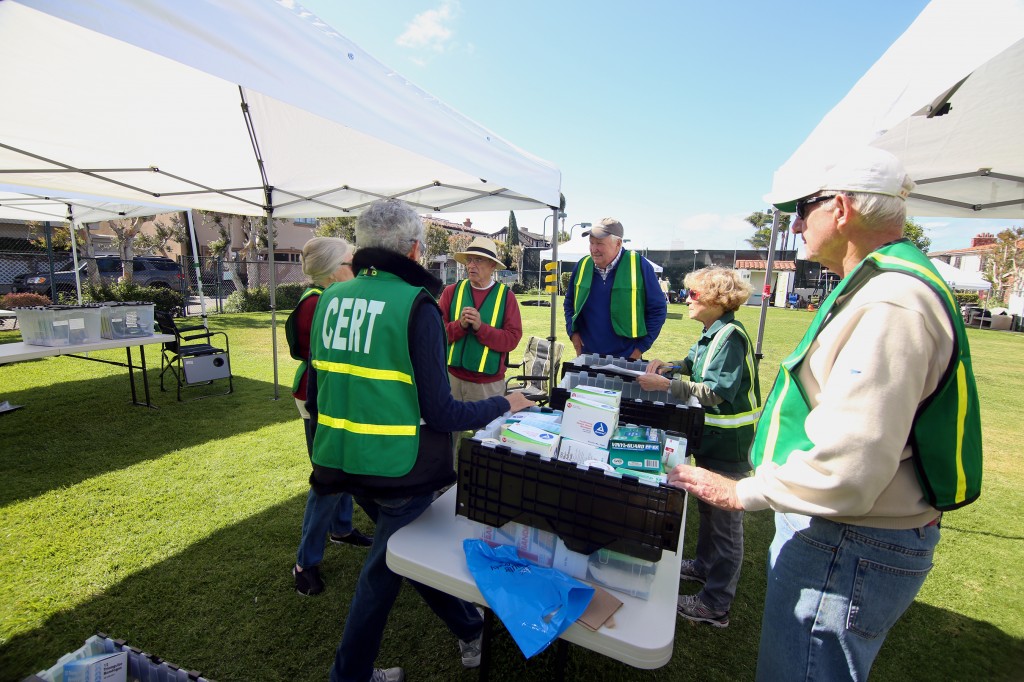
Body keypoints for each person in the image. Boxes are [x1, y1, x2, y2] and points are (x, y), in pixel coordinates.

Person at [667, 147, 982, 680]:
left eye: (802, 208)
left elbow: (848, 466)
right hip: (852, 531)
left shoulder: (890, 300)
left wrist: (740, 491)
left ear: (840, 208)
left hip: (850, 537)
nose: (794, 224)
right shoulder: (882, 285)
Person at [305, 199, 536, 682]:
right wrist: (506, 403)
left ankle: (469, 627)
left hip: (340, 458)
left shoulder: (330, 298)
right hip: (396, 466)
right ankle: (349, 675)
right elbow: (442, 413)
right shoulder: (417, 304)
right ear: (415, 249)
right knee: (383, 572)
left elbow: (333, 386)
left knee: (407, 551)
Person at [638, 267, 760, 629]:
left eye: (693, 294)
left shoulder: (730, 337)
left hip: (730, 444)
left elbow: (713, 392)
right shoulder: (712, 332)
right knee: (709, 507)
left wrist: (665, 385)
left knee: (725, 522)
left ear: (717, 300)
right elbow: (692, 365)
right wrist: (670, 366)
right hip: (713, 440)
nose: (686, 299)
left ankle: (715, 603)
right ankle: (705, 567)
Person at [285, 237, 372, 597]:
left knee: (341, 469)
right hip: (320, 398)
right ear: (333, 268)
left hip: (334, 397)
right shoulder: (318, 303)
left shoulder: (328, 299)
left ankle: (341, 528)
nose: (358, 269)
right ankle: (305, 563)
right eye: (351, 263)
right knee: (328, 478)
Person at [562, 217, 667, 359]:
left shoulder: (639, 265)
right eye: (591, 243)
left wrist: (639, 349)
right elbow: (569, 303)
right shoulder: (582, 265)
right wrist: (572, 333)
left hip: (627, 359)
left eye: (599, 243)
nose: (594, 249)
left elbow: (658, 309)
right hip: (588, 357)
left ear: (618, 243)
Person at [439, 236, 523, 401]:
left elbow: (512, 340)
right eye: (469, 260)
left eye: (478, 260)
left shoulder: (506, 297)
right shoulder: (451, 292)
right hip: (451, 379)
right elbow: (436, 333)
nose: (471, 265)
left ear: (492, 265)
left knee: (488, 428)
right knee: (448, 427)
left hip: (488, 385)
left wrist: (481, 328)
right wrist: (460, 326)